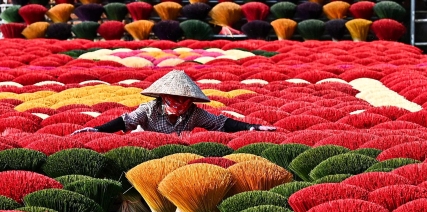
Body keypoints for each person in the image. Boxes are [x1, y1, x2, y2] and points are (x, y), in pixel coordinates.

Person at [72, 70, 276, 136]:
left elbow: (221, 123)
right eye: (174, 98)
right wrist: (97, 130)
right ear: (163, 96)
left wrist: (252, 127)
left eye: (184, 99)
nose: (180, 103)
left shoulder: (194, 113)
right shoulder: (149, 110)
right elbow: (127, 121)